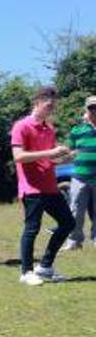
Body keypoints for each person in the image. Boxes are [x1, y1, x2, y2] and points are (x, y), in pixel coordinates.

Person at [12, 86, 75, 285]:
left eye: (53, 106)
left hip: (50, 187)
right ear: (37, 102)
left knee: (68, 223)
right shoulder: (21, 126)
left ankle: (45, 267)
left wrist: (67, 157)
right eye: (48, 104)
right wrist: (50, 153)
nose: (51, 108)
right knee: (32, 229)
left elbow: (50, 160)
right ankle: (26, 272)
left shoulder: (49, 128)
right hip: (32, 188)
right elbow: (19, 157)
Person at [61, 95, 96, 251]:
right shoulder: (77, 130)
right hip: (79, 176)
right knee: (76, 210)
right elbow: (68, 150)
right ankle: (74, 241)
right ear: (87, 110)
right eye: (91, 108)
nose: (94, 111)